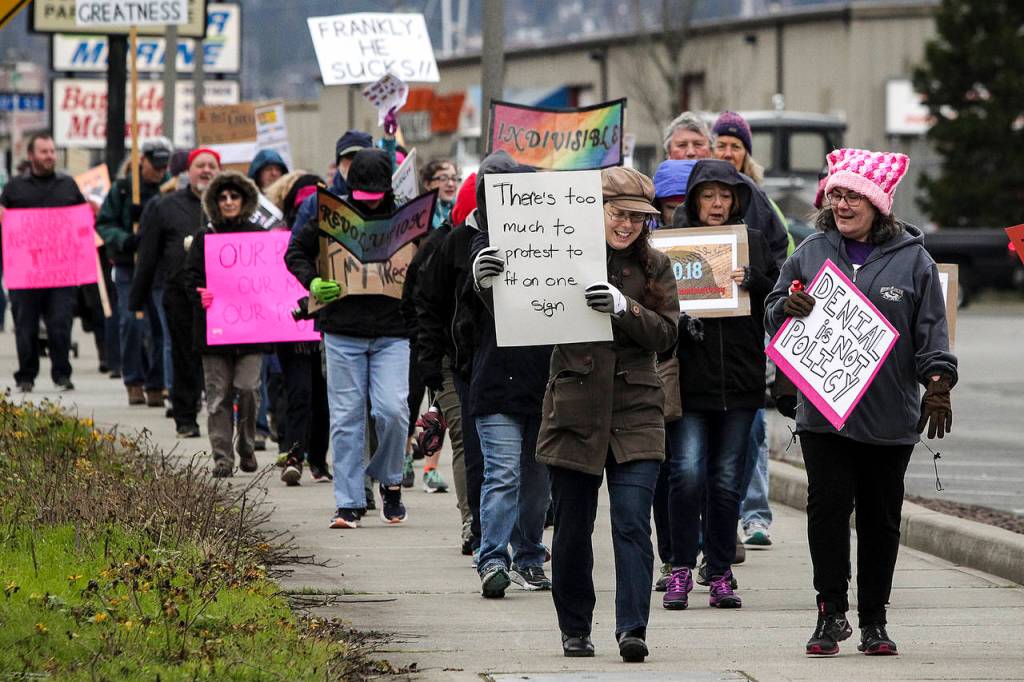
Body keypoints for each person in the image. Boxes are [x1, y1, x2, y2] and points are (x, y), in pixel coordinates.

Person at [765, 148, 956, 657]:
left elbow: (932, 332)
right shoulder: (810, 251)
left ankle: (874, 619)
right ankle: (830, 615)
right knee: (826, 512)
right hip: (824, 414)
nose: (843, 204)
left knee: (880, 519)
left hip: (889, 415)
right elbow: (773, 312)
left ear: (878, 205)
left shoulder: (915, 260)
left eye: (854, 196)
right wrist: (787, 306)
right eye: (837, 195)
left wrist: (938, 381)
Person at [535, 167, 678, 662]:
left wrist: (625, 307)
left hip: (637, 408)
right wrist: (487, 282)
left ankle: (632, 628)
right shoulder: (558, 255)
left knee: (633, 521)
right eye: (619, 213)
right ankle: (575, 627)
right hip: (574, 408)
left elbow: (667, 336)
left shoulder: (656, 266)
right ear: (593, 210)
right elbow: (519, 315)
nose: (628, 225)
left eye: (639, 217)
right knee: (573, 526)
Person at [661, 159, 779, 614]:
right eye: (708, 195)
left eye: (725, 195)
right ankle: (678, 567)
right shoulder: (673, 245)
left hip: (741, 382)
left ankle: (720, 570)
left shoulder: (750, 242)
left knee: (728, 481)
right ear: (693, 199)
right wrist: (679, 320)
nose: (716, 203)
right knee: (686, 474)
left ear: (737, 199)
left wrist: (758, 280)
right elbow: (656, 308)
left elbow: (777, 304)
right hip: (690, 384)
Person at [286, 148, 410, 528]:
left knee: (392, 411)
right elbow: (295, 251)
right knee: (346, 418)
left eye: (373, 197)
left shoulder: (406, 215)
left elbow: (426, 259)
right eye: (361, 196)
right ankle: (349, 502)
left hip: (394, 329)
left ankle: (390, 481)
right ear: (348, 186)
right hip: (342, 329)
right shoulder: (329, 213)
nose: (367, 204)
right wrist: (312, 281)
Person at [468, 156, 553, 597]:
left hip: (543, 383)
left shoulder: (559, 241)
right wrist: (482, 278)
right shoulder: (480, 243)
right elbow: (470, 300)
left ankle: (530, 556)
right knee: (503, 474)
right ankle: (492, 559)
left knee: (537, 483)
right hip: (497, 381)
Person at [710, 110, 782, 550]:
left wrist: (754, 276)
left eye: (736, 146)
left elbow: (781, 261)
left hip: (745, 337)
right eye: (722, 144)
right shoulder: (691, 210)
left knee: (750, 429)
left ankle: (754, 514)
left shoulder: (760, 201)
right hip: (704, 345)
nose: (728, 151)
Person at [414, 173, 483, 556]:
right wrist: (429, 363)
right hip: (450, 361)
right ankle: (472, 520)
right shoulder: (443, 246)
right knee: (466, 440)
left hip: (493, 361)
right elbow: (422, 306)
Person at [131, 148, 221, 437]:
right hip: (180, 294)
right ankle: (185, 417)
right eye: (200, 165)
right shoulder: (165, 206)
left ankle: (223, 418)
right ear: (187, 171)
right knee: (183, 356)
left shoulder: (229, 203)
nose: (206, 170)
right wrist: (137, 297)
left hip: (222, 298)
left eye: (212, 165)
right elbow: (148, 254)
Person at [185, 171, 270, 477]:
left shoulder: (259, 236)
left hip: (250, 330)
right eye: (222, 197)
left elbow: (269, 279)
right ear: (214, 203)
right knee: (218, 394)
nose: (229, 202)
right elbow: (190, 278)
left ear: (244, 200)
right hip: (215, 329)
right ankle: (222, 456)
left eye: (234, 196)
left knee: (247, 388)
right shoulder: (204, 238)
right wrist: (200, 294)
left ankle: (246, 445)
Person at [0, 132, 87, 392]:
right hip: (26, 273)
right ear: (31, 156)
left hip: (60, 272)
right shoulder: (14, 188)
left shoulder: (68, 185)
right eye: (44, 152)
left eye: (52, 151)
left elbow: (81, 224)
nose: (50, 156)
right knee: (25, 325)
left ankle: (62, 373)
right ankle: (26, 375)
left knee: (61, 324)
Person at [95, 136, 172, 407]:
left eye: (165, 167)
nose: (161, 172)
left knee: (161, 327)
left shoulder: (169, 189)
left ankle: (157, 382)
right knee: (131, 323)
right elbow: (104, 223)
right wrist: (124, 239)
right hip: (130, 266)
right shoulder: (124, 189)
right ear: (143, 161)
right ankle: (134, 380)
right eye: (157, 165)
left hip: (158, 268)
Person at [265, 169, 330, 485]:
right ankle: (294, 453)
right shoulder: (276, 236)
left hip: (323, 325)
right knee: (299, 392)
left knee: (323, 396)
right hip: (290, 328)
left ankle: (318, 458)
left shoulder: (331, 232)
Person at [652, 159, 696, 228]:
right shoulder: (643, 233)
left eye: (686, 208)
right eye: (671, 208)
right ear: (659, 208)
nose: (679, 216)